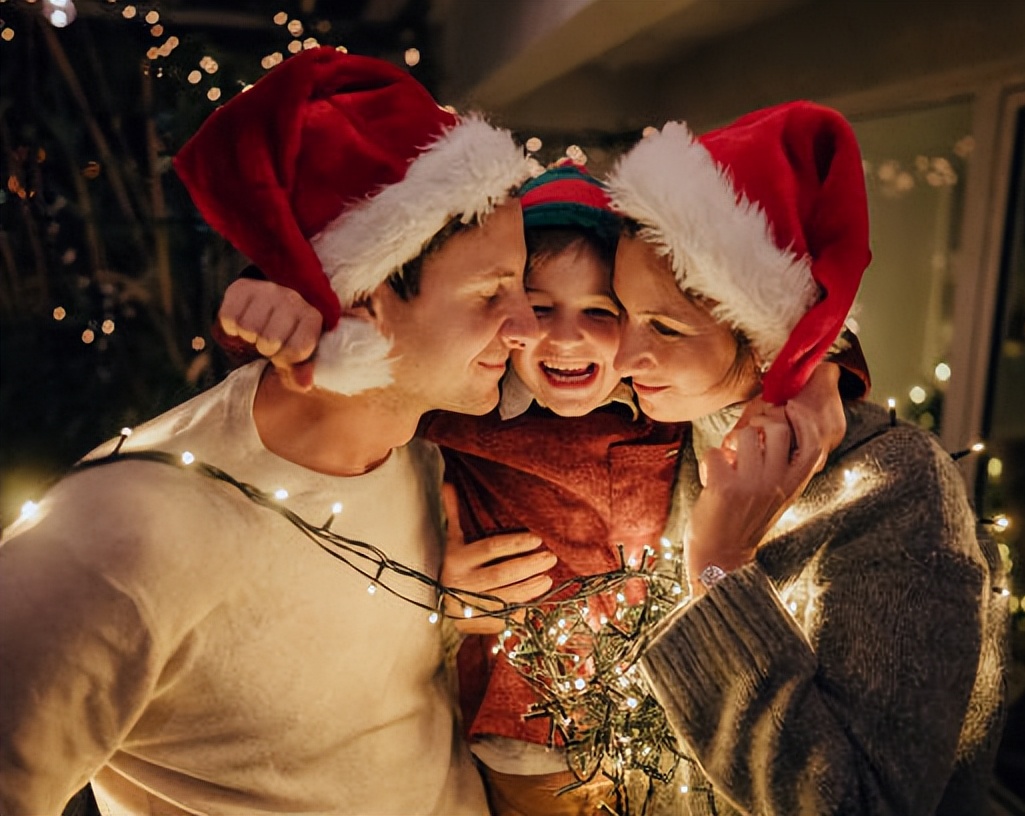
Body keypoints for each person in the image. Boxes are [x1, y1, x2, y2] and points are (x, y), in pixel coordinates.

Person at [213, 161, 871, 815]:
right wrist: (275, 298)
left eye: (601, 310)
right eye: (539, 306)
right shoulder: (470, 406)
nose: (565, 335)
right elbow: (346, 371)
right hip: (524, 731)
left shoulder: (660, 398)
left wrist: (827, 368)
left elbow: (749, 329)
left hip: (662, 724)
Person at [0, 47, 539, 816]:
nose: (523, 326)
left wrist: (443, 620)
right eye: (491, 292)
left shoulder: (427, 455)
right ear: (360, 303)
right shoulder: (122, 530)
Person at [598, 102, 1011, 815]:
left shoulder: (896, 488)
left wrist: (721, 569)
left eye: (664, 326)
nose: (624, 355)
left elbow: (859, 804)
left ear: (762, 333)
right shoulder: (657, 427)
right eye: (621, 313)